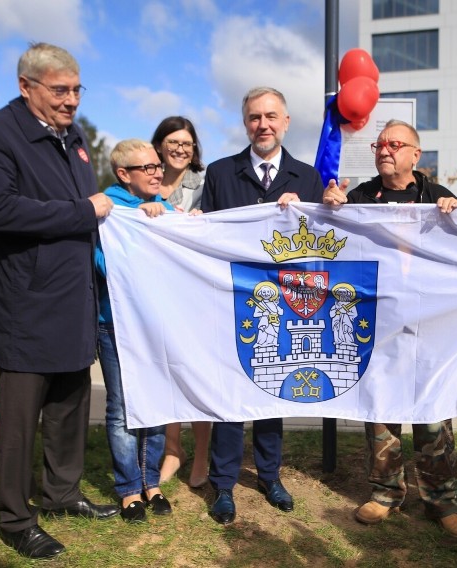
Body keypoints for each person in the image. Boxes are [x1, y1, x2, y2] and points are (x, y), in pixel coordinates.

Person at [0, 42, 117, 560]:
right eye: (60, 90)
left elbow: (94, 211)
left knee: (70, 405)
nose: (72, 100)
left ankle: (61, 493)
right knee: (20, 419)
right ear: (26, 86)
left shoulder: (73, 138)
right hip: (26, 303)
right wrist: (81, 213)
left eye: (77, 89)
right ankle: (14, 516)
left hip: (73, 299)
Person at [323, 119, 457, 540]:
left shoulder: (439, 196)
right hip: (380, 321)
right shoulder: (361, 197)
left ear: (415, 154)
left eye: (394, 143)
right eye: (379, 143)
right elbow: (331, 243)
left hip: (431, 323)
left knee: (432, 412)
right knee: (382, 409)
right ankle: (385, 492)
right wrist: (329, 208)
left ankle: (442, 501)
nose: (385, 149)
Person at [200, 86, 323, 525]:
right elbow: (206, 239)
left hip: (286, 305)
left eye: (271, 116)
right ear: (245, 123)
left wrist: (309, 211)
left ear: (286, 122)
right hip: (232, 301)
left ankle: (270, 476)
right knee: (230, 397)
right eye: (254, 117)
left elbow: (318, 245)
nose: (263, 125)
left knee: (273, 390)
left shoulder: (307, 178)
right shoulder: (220, 172)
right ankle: (224, 484)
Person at [96, 140, 178, 523]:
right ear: (124, 175)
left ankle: (152, 483)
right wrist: (139, 222)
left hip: (158, 321)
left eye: (158, 165)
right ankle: (129, 489)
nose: (158, 172)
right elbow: (105, 263)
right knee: (122, 408)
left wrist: (178, 219)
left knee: (157, 400)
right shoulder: (108, 211)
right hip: (115, 324)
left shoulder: (165, 208)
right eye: (147, 167)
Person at [150, 116, 211, 488]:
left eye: (186, 143)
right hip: (157, 290)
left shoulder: (205, 185)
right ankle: (174, 450)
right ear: (158, 145)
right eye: (172, 141)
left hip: (198, 294)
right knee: (165, 371)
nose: (179, 148)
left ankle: (202, 452)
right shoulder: (145, 184)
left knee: (200, 373)